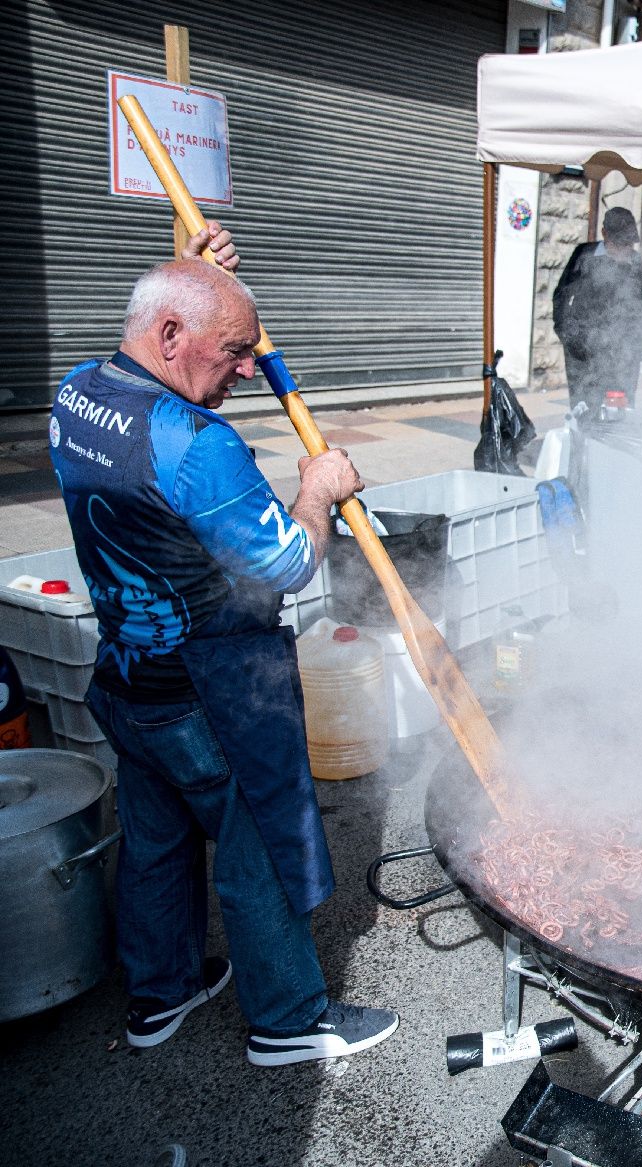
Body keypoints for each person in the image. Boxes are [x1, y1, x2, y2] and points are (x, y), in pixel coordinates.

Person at [48, 226, 399, 1066]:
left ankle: (159, 993)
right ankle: (288, 1018)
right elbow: (288, 561)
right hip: (209, 691)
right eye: (236, 351)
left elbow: (174, 316)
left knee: (156, 838)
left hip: (126, 677)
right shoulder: (198, 446)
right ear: (171, 335)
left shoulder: (77, 392)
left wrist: (202, 278)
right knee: (257, 843)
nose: (246, 370)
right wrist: (319, 487)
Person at [552, 206, 642, 413]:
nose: (623, 250)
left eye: (628, 244)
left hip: (623, 354)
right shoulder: (583, 255)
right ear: (604, 233)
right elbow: (561, 295)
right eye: (618, 243)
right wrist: (567, 334)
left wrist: (639, 347)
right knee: (584, 410)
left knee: (619, 412)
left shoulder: (640, 266)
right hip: (582, 351)